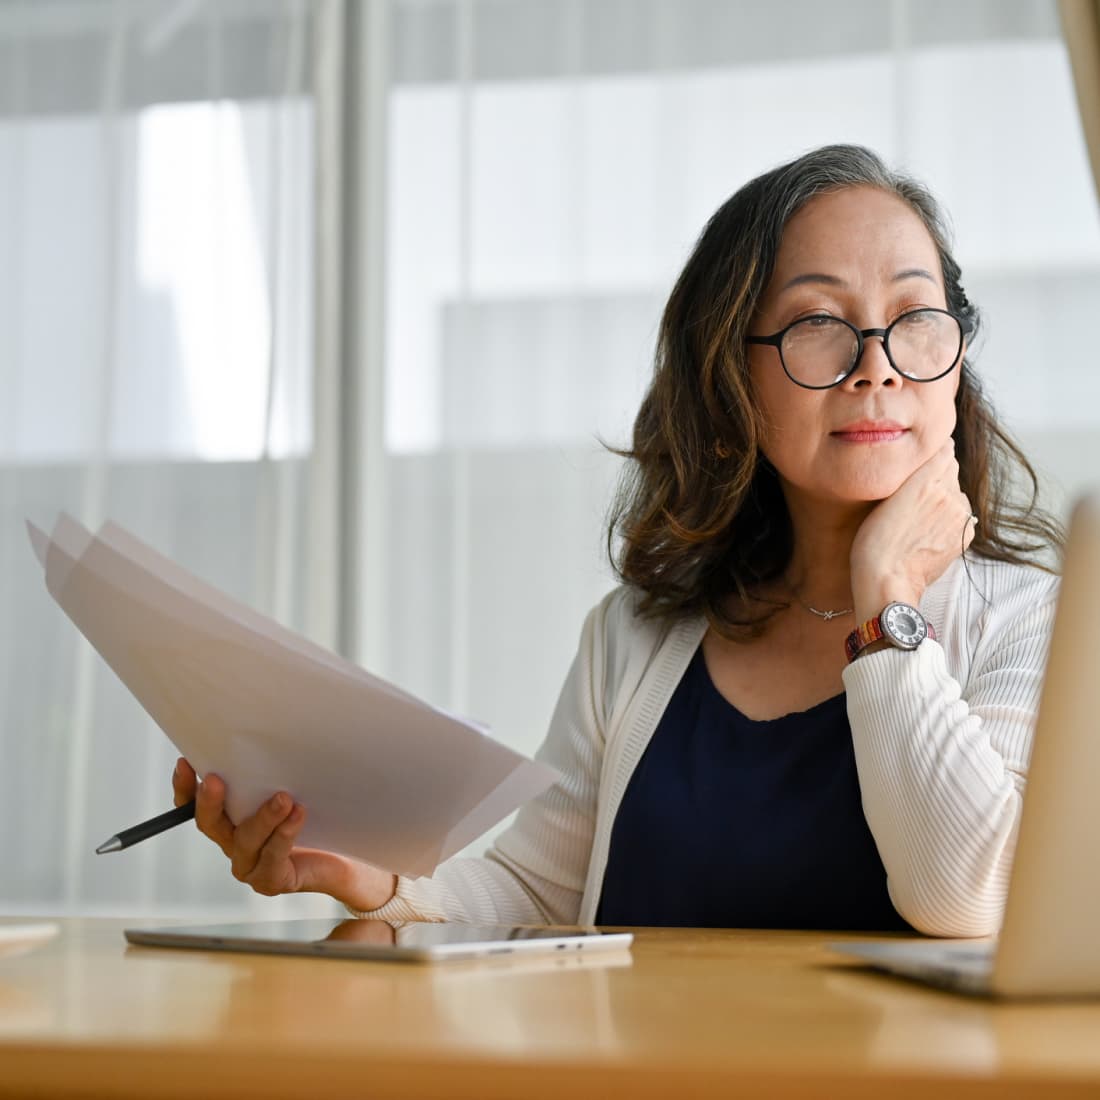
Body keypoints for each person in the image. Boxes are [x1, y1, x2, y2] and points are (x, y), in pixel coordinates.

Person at [172, 144, 1063, 937]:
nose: (876, 362)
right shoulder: (632, 637)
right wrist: (377, 884)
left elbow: (967, 897)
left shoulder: (1033, 622)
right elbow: (535, 890)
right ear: (733, 379)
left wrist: (888, 602)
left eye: (914, 317)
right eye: (818, 325)